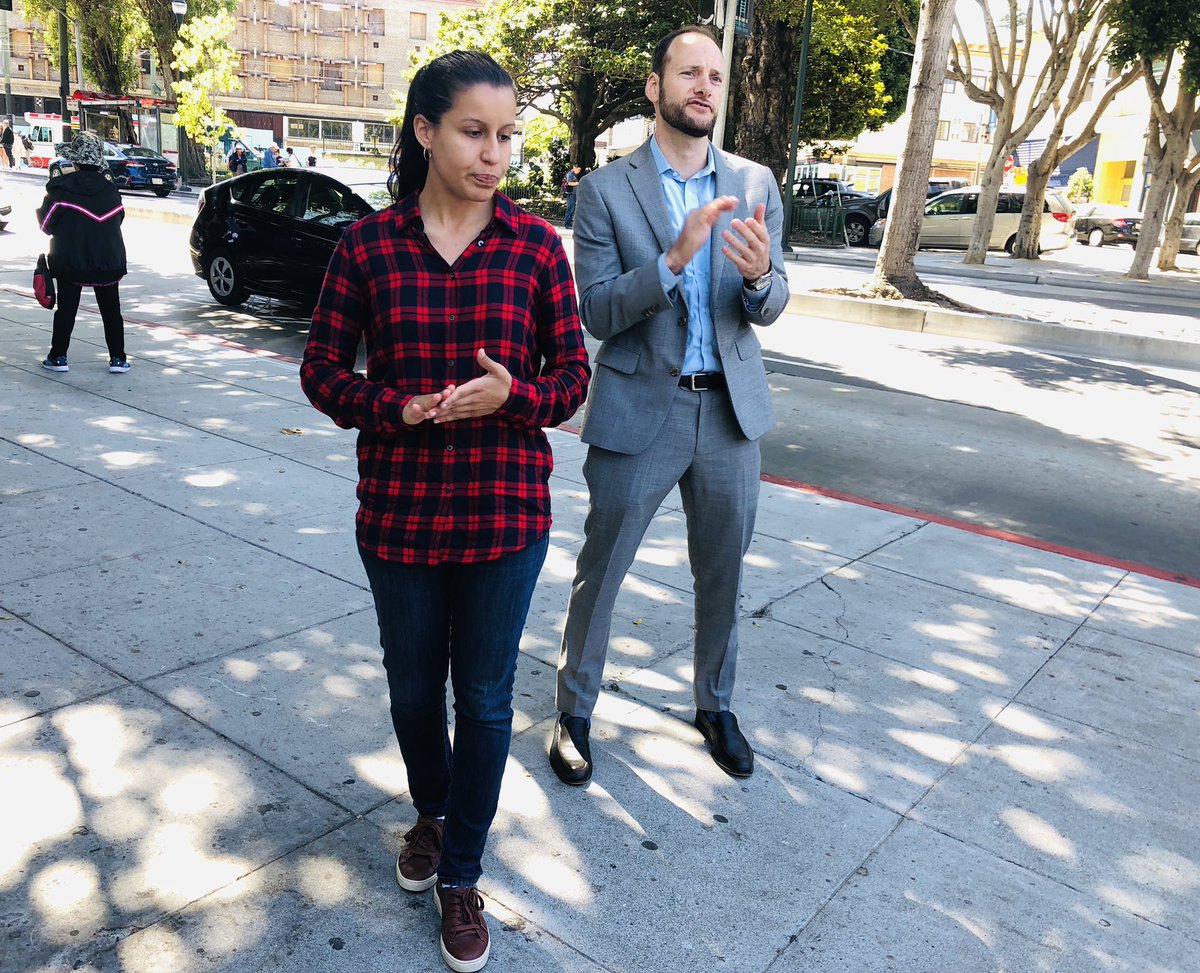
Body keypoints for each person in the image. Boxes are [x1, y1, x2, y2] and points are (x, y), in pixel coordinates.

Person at [299, 50, 589, 973]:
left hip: (505, 519)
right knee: (416, 690)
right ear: (425, 131)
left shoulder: (537, 248)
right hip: (400, 516)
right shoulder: (369, 244)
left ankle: (461, 866)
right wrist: (394, 406)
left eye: (507, 135)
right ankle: (430, 809)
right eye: (474, 131)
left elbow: (572, 378)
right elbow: (321, 370)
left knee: (491, 696)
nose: (494, 152)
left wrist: (516, 398)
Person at [548, 26, 787, 786]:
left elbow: (774, 301)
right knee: (602, 570)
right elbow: (598, 308)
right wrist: (673, 261)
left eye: (715, 76)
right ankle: (574, 711)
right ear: (655, 87)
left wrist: (757, 282)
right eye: (689, 73)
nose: (704, 88)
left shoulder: (755, 185)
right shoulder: (604, 190)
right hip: (637, 410)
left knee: (723, 574)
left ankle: (714, 705)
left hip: (728, 417)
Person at [36, 133, 130, 374]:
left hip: (70, 260)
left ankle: (58, 357)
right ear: (99, 163)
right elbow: (118, 219)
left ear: (74, 162)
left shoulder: (60, 190)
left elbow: (46, 225)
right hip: (108, 260)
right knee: (111, 311)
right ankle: (118, 359)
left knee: (67, 309)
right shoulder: (111, 191)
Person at [561, 163, 582, 228]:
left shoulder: (575, 175)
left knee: (572, 209)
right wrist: (577, 183)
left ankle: (569, 223)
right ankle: (567, 224)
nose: (579, 171)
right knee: (570, 208)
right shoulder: (570, 174)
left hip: (574, 193)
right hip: (570, 193)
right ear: (574, 167)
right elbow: (569, 183)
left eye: (580, 170)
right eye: (578, 169)